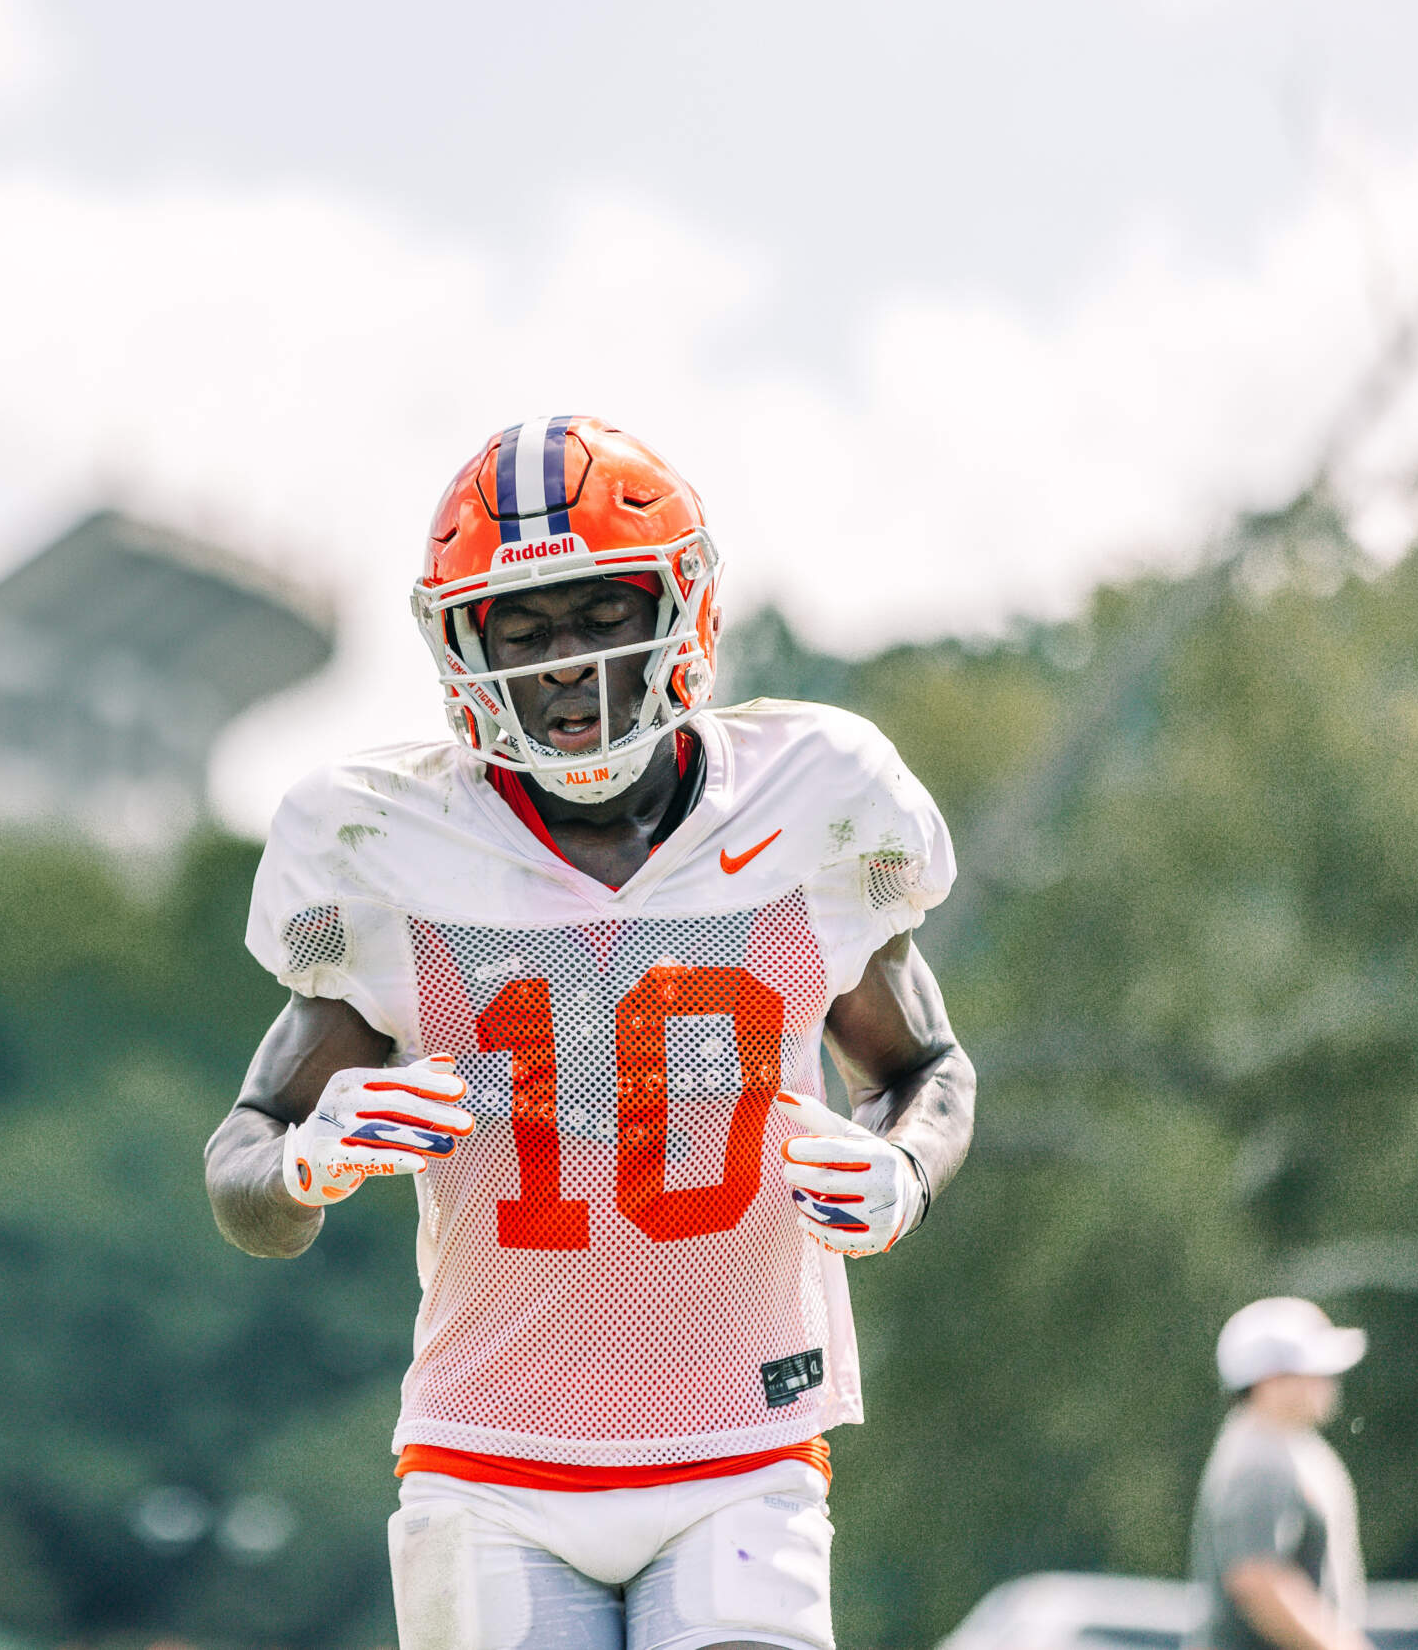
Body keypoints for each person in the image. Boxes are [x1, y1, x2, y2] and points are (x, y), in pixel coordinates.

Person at [203, 416, 977, 1650]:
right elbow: (243, 1167)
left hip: (744, 1444)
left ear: (681, 610)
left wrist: (906, 1170)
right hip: (489, 1458)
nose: (566, 663)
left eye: (602, 614)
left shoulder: (813, 796)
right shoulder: (383, 841)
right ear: (464, 646)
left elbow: (924, 1067)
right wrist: (305, 1162)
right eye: (523, 632)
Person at [1187, 1298, 1371, 1650]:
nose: (1329, 1382)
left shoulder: (1285, 1447)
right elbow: (1256, 1579)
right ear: (1270, 1380)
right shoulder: (1258, 1460)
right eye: (1314, 1371)